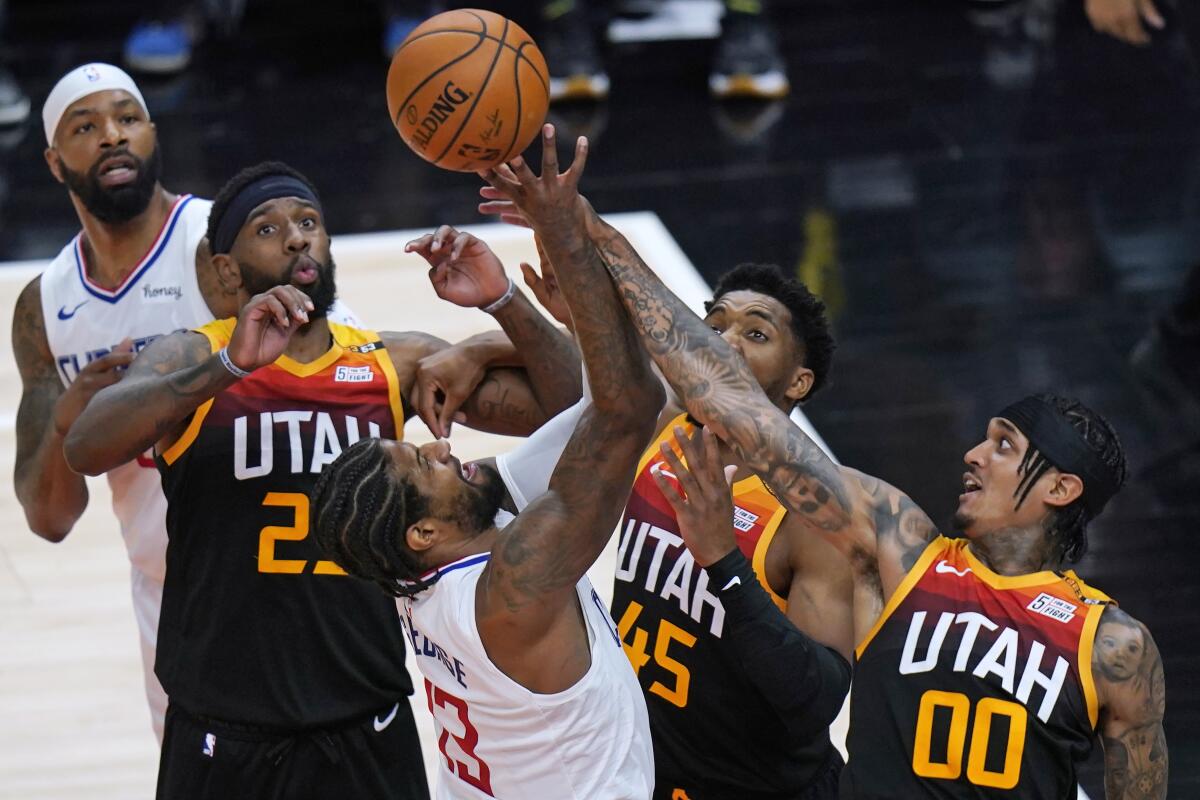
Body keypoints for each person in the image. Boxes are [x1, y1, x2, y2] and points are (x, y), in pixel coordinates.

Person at [527, 180, 1169, 797]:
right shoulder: (901, 550)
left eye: (1004, 446)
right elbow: (732, 404)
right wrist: (596, 241)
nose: (974, 455)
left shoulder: (1113, 646)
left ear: (1060, 487)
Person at [59, 160, 576, 797]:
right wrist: (228, 365)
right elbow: (85, 445)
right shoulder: (193, 354)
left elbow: (579, 408)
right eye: (268, 229)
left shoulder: (391, 360)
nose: (297, 237)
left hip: (363, 712)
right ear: (226, 269)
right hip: (223, 722)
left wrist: (499, 315)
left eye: (308, 223)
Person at [472, 131, 852, 799]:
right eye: (715, 322)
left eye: (755, 334)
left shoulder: (810, 507)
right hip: (644, 768)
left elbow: (814, 702)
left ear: (797, 383)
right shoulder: (664, 427)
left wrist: (725, 564)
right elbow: (603, 377)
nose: (721, 342)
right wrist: (558, 228)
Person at [310, 129, 659, 799]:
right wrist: (565, 234)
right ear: (423, 533)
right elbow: (627, 409)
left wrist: (505, 303)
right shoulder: (513, 586)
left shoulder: (433, 563)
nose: (443, 446)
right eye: (425, 464)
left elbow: (578, 410)